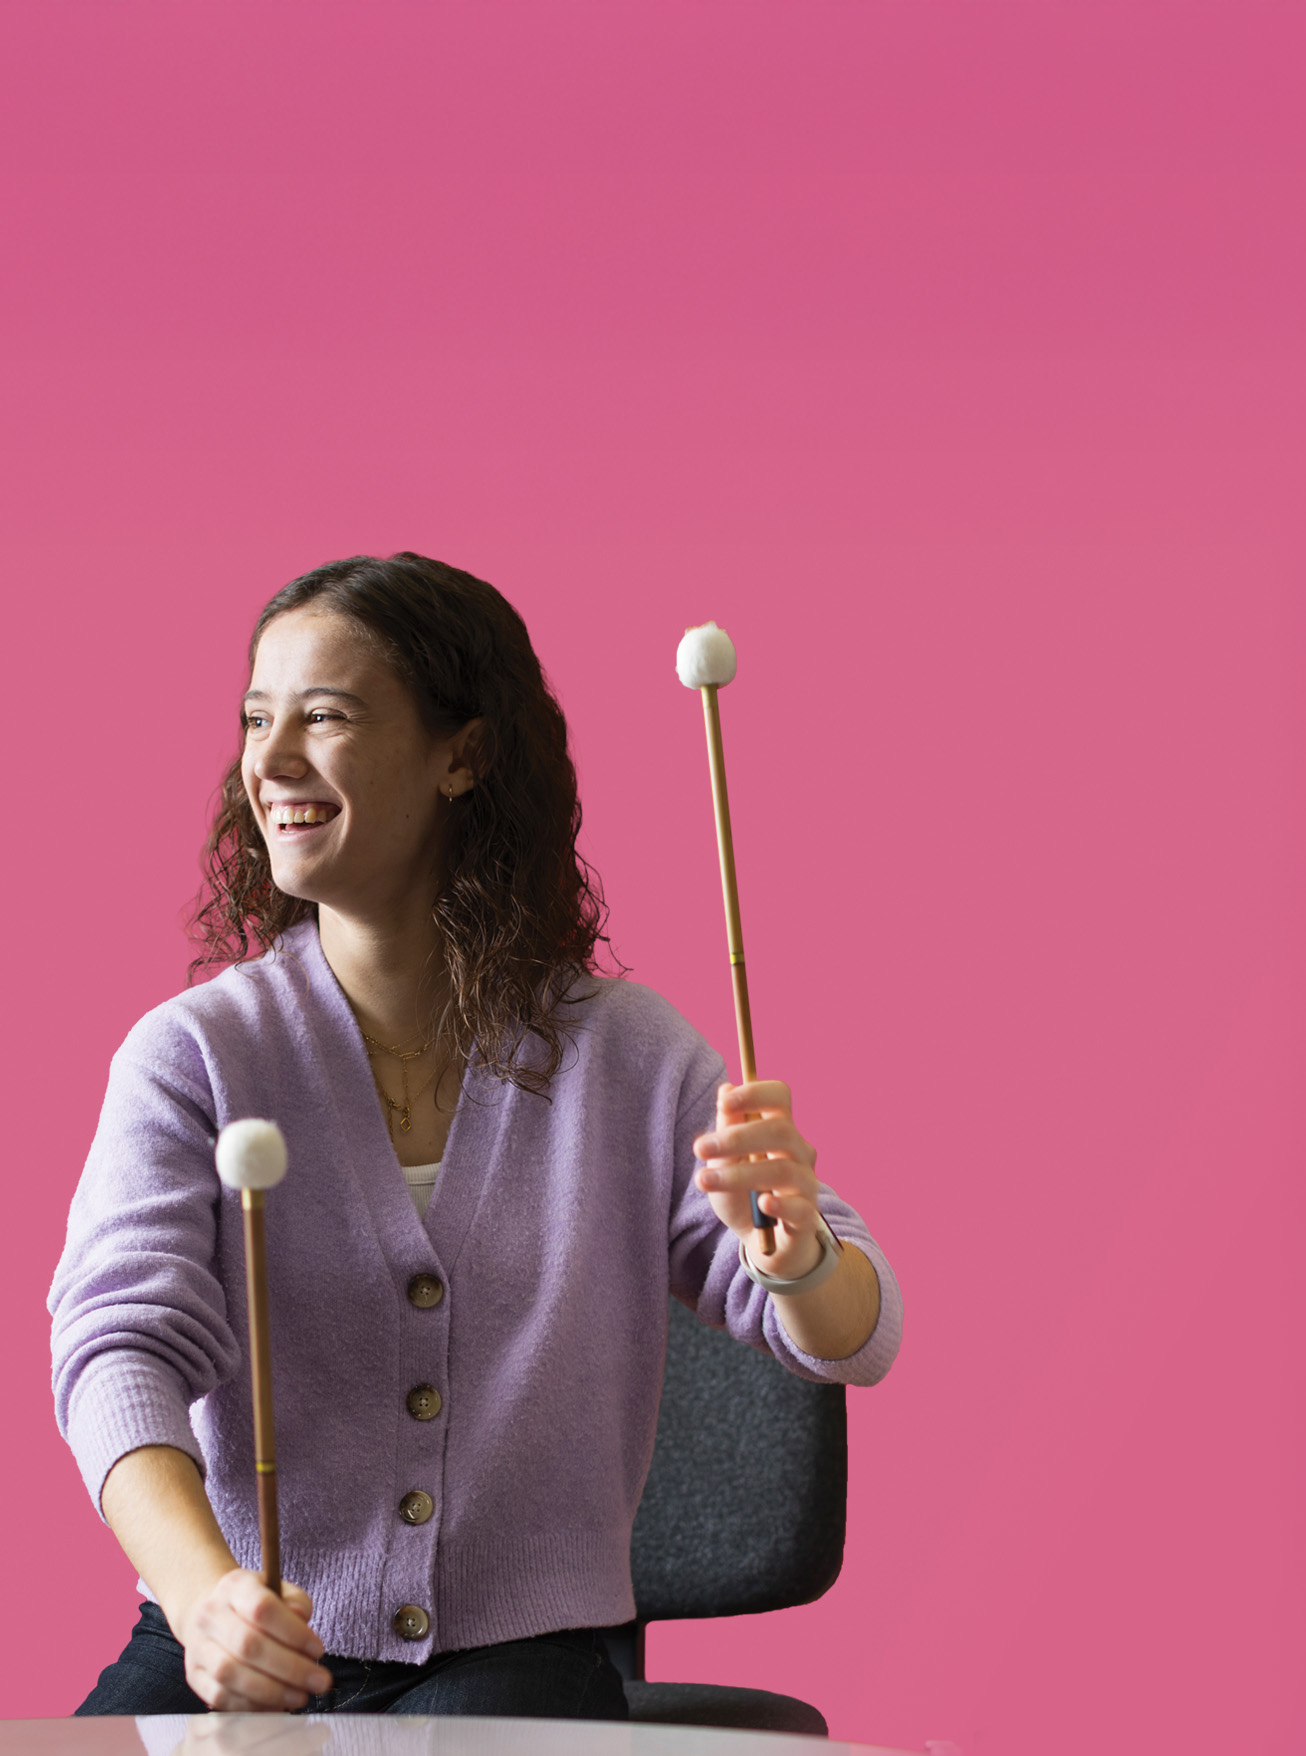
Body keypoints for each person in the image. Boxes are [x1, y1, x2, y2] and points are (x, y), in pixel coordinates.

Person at [48, 553, 902, 1719]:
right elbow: (115, 1353)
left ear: (465, 753)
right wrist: (205, 1601)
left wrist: (797, 1253)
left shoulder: (631, 1055)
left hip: (524, 1655)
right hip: (225, 1631)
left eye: (327, 716)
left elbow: (854, 1335)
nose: (272, 758)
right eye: (257, 717)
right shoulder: (192, 1055)